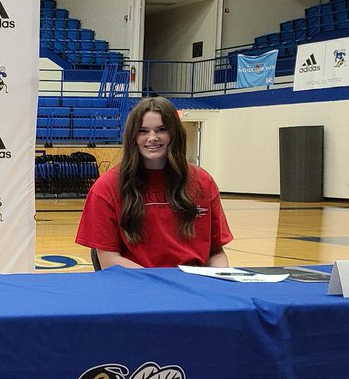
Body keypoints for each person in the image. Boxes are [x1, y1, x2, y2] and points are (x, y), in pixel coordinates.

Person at [76, 96, 232, 269]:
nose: (152, 138)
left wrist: (218, 282)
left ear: (175, 134)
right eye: (143, 131)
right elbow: (108, 260)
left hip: (194, 287)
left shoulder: (203, 182)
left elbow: (216, 253)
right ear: (132, 137)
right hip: (138, 287)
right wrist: (163, 286)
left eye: (161, 130)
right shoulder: (106, 187)